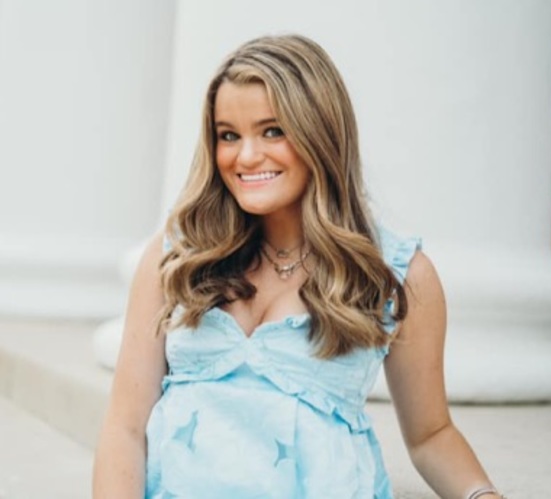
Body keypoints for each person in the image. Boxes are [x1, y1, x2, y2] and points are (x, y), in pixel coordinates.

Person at [92, 34, 505, 499]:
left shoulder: (395, 275)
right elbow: (125, 427)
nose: (246, 156)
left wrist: (481, 495)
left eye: (272, 131)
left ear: (319, 132)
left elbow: (431, 436)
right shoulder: (177, 255)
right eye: (228, 135)